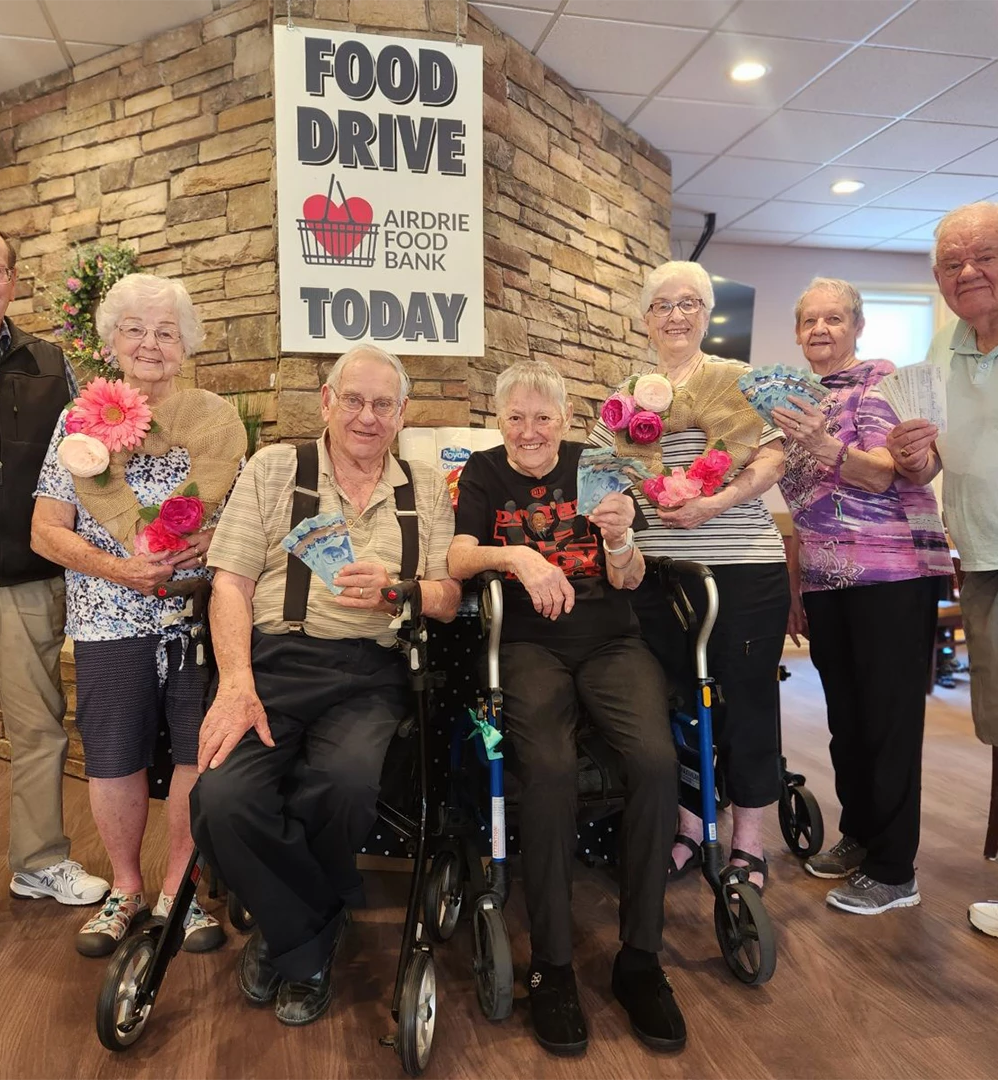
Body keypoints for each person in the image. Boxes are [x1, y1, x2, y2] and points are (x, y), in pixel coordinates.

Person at [189, 344, 461, 1027]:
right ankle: (307, 935)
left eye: (383, 405)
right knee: (221, 797)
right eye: (355, 400)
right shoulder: (277, 467)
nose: (367, 417)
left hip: (372, 671)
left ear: (402, 414)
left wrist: (403, 590)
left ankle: (290, 945)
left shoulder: (424, 486)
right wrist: (235, 683)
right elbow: (230, 582)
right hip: (275, 662)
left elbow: (450, 597)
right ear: (327, 402)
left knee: (345, 784)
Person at [448, 360, 684, 1057]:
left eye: (542, 418)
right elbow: (459, 558)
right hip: (527, 647)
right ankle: (551, 966)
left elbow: (628, 575)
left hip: (612, 641)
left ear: (564, 422)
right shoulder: (485, 474)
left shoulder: (596, 463)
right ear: (500, 421)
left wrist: (619, 538)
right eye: (516, 418)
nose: (529, 431)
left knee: (654, 761)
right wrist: (519, 559)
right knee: (546, 768)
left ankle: (640, 958)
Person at [31, 272, 246, 956]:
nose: (151, 345)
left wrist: (212, 540)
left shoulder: (213, 418)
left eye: (167, 333)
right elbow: (45, 531)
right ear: (111, 341)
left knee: (195, 752)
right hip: (107, 615)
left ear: (187, 347)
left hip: (195, 618)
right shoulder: (78, 422)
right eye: (136, 330)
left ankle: (178, 892)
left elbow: (242, 517)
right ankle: (125, 889)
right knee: (115, 757)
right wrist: (123, 565)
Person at [590, 260, 789, 896]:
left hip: (743, 566)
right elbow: (599, 470)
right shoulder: (625, 395)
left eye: (688, 304)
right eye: (662, 306)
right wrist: (611, 514)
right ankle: (686, 824)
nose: (676, 316)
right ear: (644, 320)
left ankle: (749, 843)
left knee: (748, 701)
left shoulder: (738, 380)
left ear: (706, 314)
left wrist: (714, 503)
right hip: (656, 575)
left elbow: (776, 454)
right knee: (671, 701)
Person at [0, 210, 108, 953]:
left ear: (12, 279)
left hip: (30, 575)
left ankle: (40, 863)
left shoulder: (48, 360)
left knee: (40, 725)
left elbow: (84, 458)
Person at [775, 277, 951, 915]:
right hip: (827, 579)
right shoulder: (792, 398)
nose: (820, 330)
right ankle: (858, 835)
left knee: (888, 721)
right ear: (797, 333)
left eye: (834, 319)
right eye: (809, 321)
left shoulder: (879, 388)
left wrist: (825, 444)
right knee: (846, 718)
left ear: (856, 327)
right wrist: (797, 581)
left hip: (891, 578)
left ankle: (894, 868)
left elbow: (885, 471)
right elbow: (796, 504)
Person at [886, 203, 998, 979]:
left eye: (984, 256)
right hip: (986, 560)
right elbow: (930, 466)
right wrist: (911, 457)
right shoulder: (943, 344)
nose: (967, 272)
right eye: (950, 263)